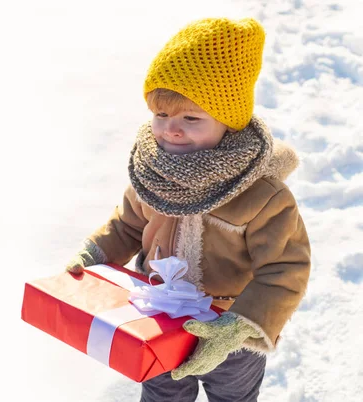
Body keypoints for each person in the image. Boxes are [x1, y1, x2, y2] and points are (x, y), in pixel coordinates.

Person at [65, 17, 311, 402]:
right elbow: (128, 225)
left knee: (233, 395)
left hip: (226, 330)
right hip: (157, 318)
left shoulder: (263, 197)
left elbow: (284, 269)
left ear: (228, 123)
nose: (171, 130)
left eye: (191, 118)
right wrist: (95, 254)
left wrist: (237, 327)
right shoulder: (154, 171)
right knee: (162, 391)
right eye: (161, 115)